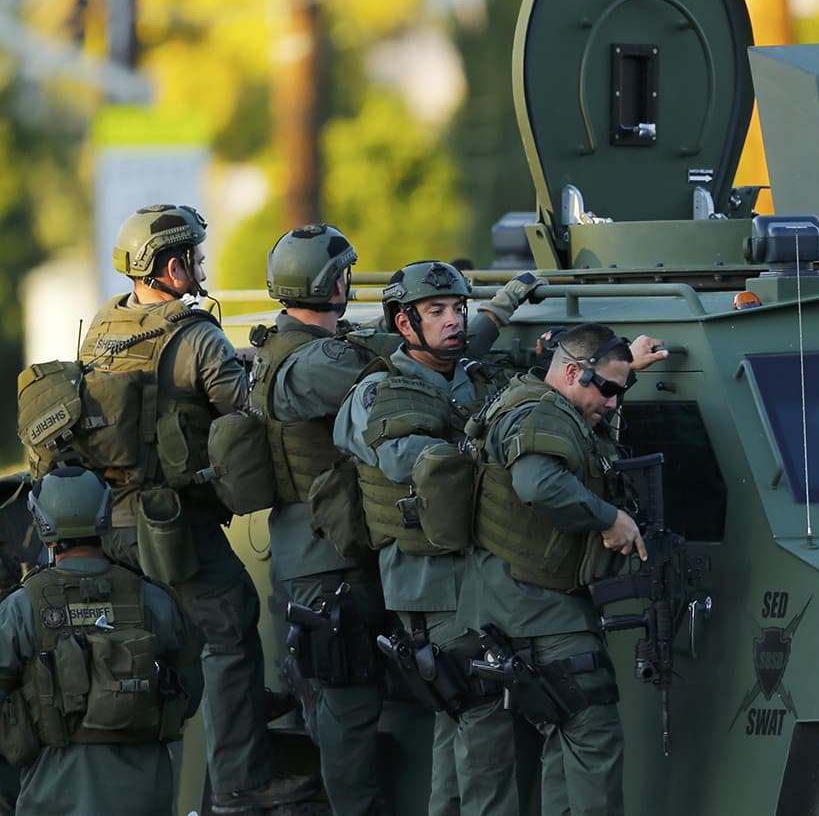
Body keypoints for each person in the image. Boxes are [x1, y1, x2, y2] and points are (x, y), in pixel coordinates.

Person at [81, 204, 317, 813]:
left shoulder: (105, 325)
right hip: (171, 522)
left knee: (167, 639)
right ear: (169, 263)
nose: (199, 265)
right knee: (232, 627)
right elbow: (248, 411)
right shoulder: (197, 335)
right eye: (192, 256)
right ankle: (241, 782)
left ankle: (226, 720)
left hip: (108, 517)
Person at [333, 260, 530, 816]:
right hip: (429, 582)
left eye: (459, 309)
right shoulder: (379, 392)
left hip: (483, 573)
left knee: (460, 717)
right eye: (437, 311)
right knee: (482, 706)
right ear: (403, 323)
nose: (453, 320)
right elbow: (414, 462)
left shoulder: (471, 376)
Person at [459, 322, 667, 816]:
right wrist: (610, 518)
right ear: (572, 372)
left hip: (523, 598)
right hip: (538, 605)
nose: (613, 403)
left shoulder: (541, 403)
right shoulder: (542, 415)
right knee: (590, 733)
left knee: (567, 739)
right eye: (609, 390)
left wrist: (622, 370)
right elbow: (538, 485)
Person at [253, 224, 399, 815]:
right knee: (349, 708)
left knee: (334, 702)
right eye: (343, 272)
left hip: (304, 548)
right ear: (330, 283)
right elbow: (402, 381)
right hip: (329, 561)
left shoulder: (279, 347)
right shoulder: (316, 363)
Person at [0, 467, 203, 816]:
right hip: (145, 797)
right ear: (104, 513)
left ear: (42, 522)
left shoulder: (21, 607)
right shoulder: (154, 599)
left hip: (51, 798)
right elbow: (190, 694)